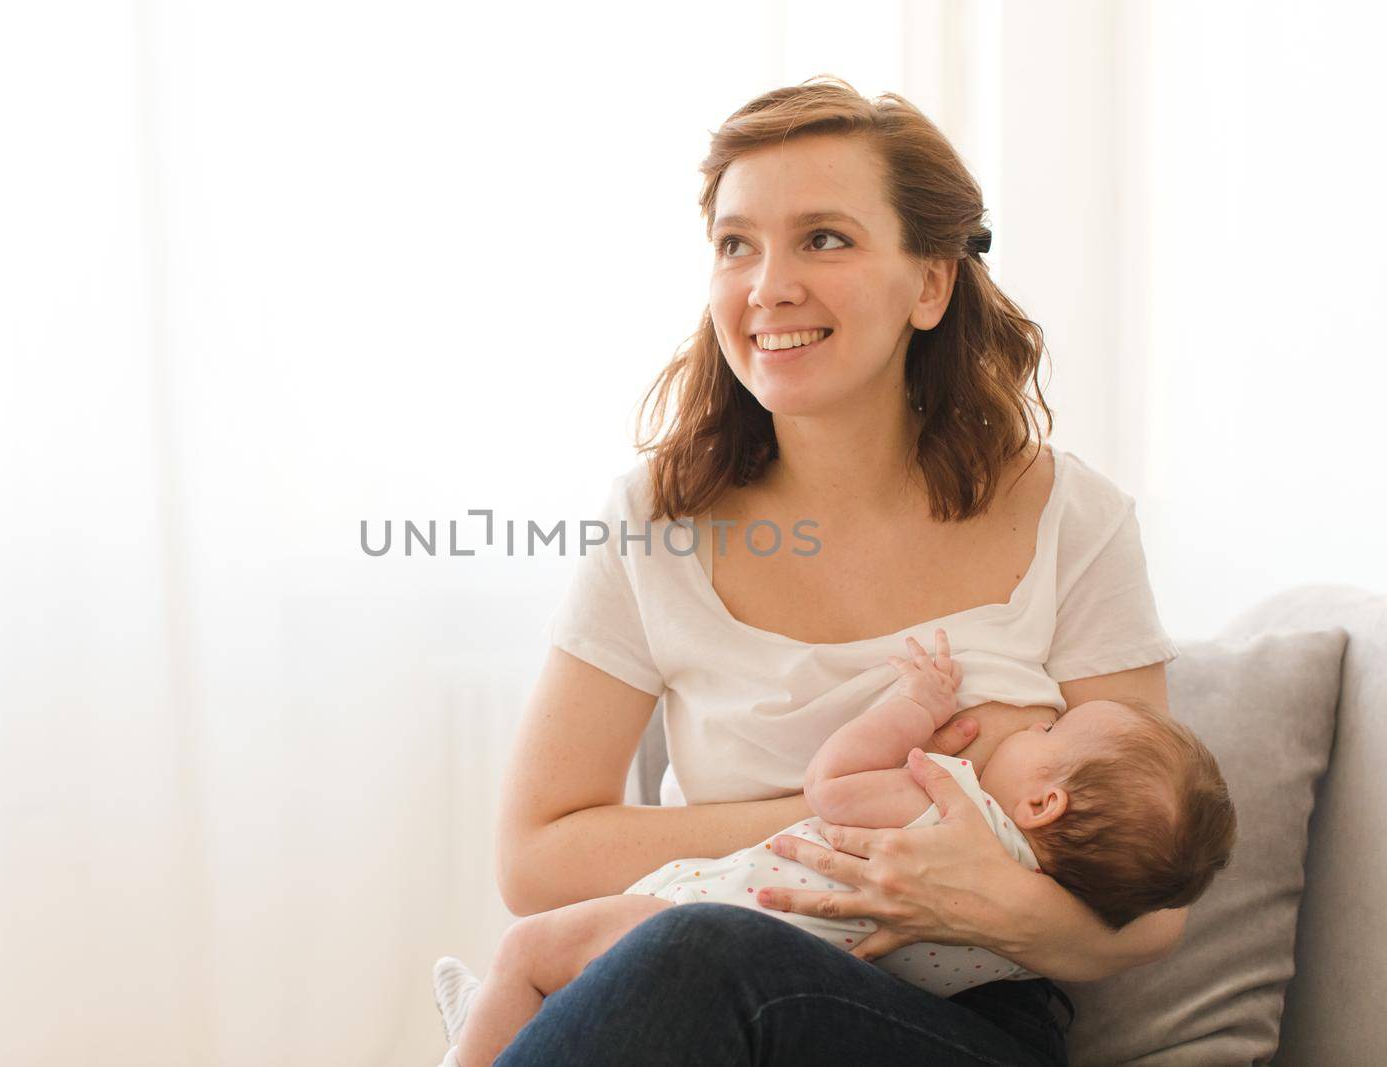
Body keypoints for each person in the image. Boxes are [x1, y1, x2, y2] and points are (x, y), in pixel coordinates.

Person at [484, 75, 1188, 1066]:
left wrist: (974, 893)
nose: (766, 285)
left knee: (695, 947)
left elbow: (1156, 912)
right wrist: (845, 816)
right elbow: (536, 853)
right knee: (693, 946)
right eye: (736, 243)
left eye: (823, 237)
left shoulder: (1071, 517)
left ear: (931, 283)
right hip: (705, 993)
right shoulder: (657, 519)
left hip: (962, 1026)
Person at [432, 633, 1235, 1067]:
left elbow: (837, 784)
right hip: (771, 964)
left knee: (545, 951)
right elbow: (535, 857)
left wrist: (916, 706)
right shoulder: (1031, 922)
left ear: (1044, 800)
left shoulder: (950, 813)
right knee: (668, 958)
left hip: (727, 923)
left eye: (1050, 728)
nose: (1035, 723)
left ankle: (494, 1031)